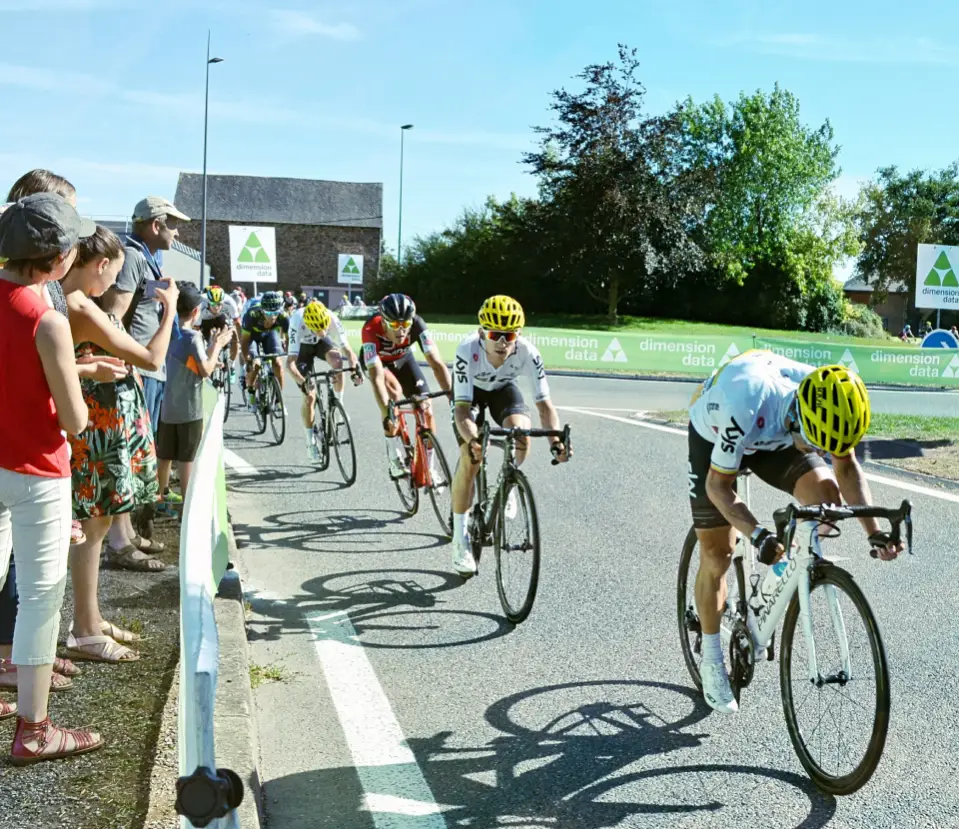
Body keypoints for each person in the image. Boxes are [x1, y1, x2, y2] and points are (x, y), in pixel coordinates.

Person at [686, 349, 903, 714]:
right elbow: (718, 487)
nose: (822, 451)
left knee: (826, 497)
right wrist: (757, 535)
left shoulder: (831, 401)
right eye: (817, 442)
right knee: (718, 553)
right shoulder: (747, 401)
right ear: (801, 418)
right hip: (721, 431)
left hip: (775, 437)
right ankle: (710, 658)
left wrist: (874, 531)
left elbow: (846, 470)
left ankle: (779, 576)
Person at [0, 192, 104, 762]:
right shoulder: (48, 319)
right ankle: (34, 729)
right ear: (60, 257)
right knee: (41, 596)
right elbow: (74, 418)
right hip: (37, 471)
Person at [62, 226, 181, 665]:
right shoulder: (82, 308)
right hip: (96, 428)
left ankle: (88, 619)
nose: (116, 280)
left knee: (97, 523)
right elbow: (150, 359)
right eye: (115, 269)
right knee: (91, 527)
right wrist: (169, 313)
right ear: (101, 264)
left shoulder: (79, 303)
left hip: (100, 425)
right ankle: (85, 627)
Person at [450, 295, 570, 576]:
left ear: (519, 335)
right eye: (495, 335)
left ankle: (509, 481)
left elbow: (544, 406)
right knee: (471, 458)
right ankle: (460, 541)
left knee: (522, 435)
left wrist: (556, 441)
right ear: (482, 333)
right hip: (472, 397)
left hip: (503, 390)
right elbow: (462, 411)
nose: (502, 342)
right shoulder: (467, 350)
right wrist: (473, 439)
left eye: (509, 335)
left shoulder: (528, 352)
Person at [360, 294, 452, 479]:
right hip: (380, 363)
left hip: (403, 359)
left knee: (426, 409)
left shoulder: (418, 324)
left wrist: (454, 399)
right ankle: (394, 457)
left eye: (405, 324)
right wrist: (387, 412)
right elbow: (377, 376)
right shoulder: (370, 329)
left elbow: (436, 363)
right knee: (393, 395)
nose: (401, 331)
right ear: (384, 322)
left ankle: (429, 466)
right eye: (394, 325)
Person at [156, 284, 233, 502]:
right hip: (190, 409)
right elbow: (205, 370)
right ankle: (187, 503)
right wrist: (217, 345)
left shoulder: (166, 331)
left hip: (167, 406)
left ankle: (161, 496)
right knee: (187, 458)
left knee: (165, 455)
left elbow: (192, 365)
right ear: (196, 312)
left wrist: (210, 358)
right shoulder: (192, 337)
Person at [287, 300, 362, 462]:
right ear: (308, 324)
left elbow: (348, 351)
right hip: (302, 348)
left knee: (338, 363)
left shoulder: (332, 318)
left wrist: (355, 369)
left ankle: (338, 404)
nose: (321, 331)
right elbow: (290, 363)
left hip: (321, 345)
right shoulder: (296, 320)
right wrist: (302, 382)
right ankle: (310, 442)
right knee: (310, 398)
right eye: (317, 328)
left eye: (324, 327)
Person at [240, 290, 289, 407]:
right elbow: (245, 341)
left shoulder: (284, 316)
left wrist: (288, 352)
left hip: (270, 333)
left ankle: (278, 399)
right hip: (252, 335)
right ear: (262, 310)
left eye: (275, 313)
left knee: (277, 362)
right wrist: (247, 358)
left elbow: (288, 340)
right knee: (255, 364)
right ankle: (251, 392)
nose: (272, 317)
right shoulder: (251, 315)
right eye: (268, 313)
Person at [199, 285, 240, 378]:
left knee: (234, 335)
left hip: (220, 318)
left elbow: (237, 323)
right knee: (205, 339)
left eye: (219, 304)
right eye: (213, 304)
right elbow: (196, 328)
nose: (216, 307)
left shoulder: (229, 302)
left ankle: (231, 365)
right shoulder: (201, 303)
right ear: (208, 302)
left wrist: (240, 340)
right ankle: (211, 360)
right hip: (205, 321)